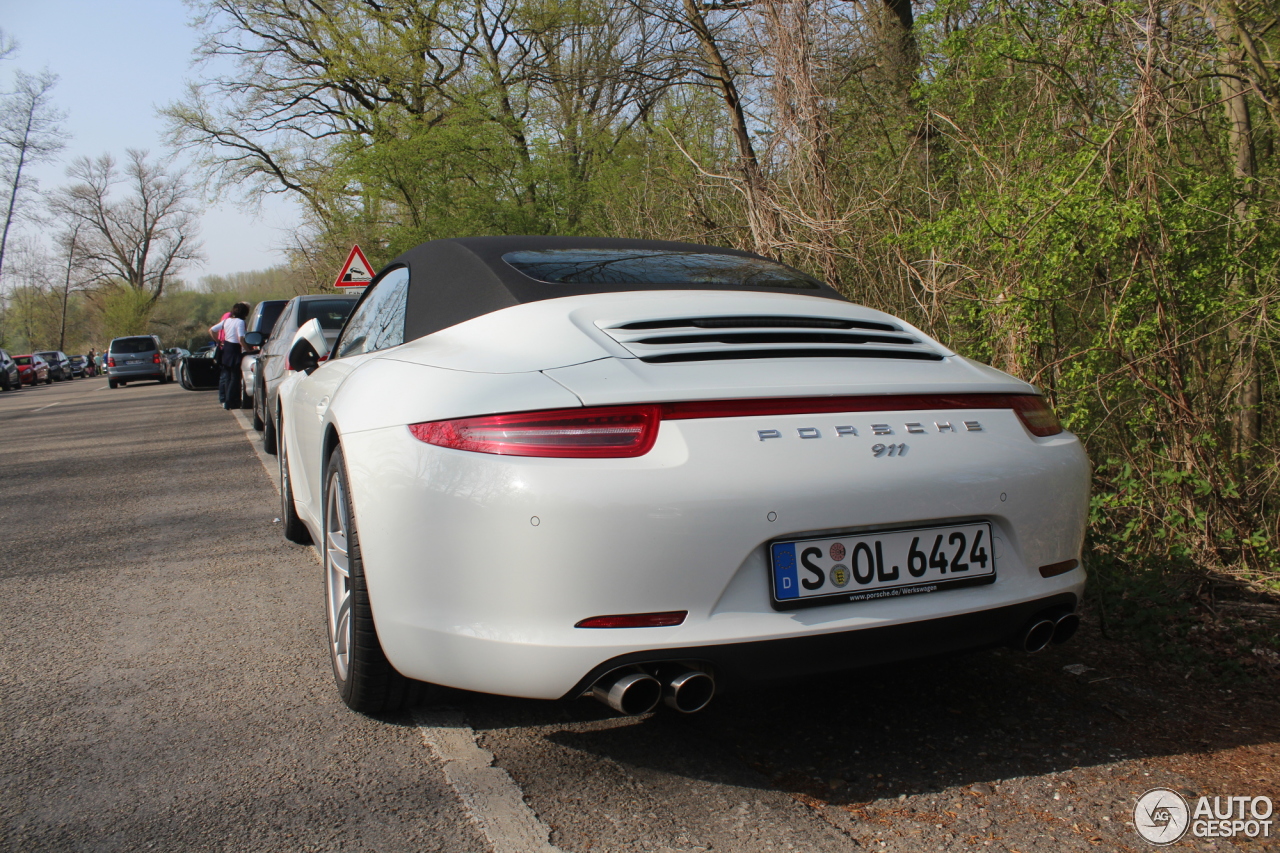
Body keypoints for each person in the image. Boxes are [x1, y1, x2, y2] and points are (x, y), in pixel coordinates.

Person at [209, 302, 250, 410]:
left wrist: (218, 341)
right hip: (234, 349)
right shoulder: (240, 322)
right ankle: (231, 401)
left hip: (226, 348)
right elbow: (241, 339)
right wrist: (248, 350)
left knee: (228, 377)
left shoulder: (227, 321)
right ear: (244, 313)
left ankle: (228, 400)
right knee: (235, 378)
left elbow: (212, 330)